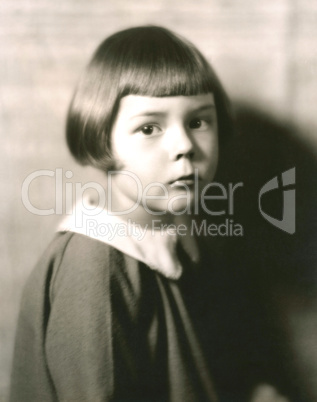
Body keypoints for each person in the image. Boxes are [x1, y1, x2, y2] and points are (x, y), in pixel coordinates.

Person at [10, 26, 297, 401]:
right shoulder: (95, 264)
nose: (184, 146)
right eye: (149, 127)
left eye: (198, 121)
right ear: (101, 138)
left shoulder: (186, 240)